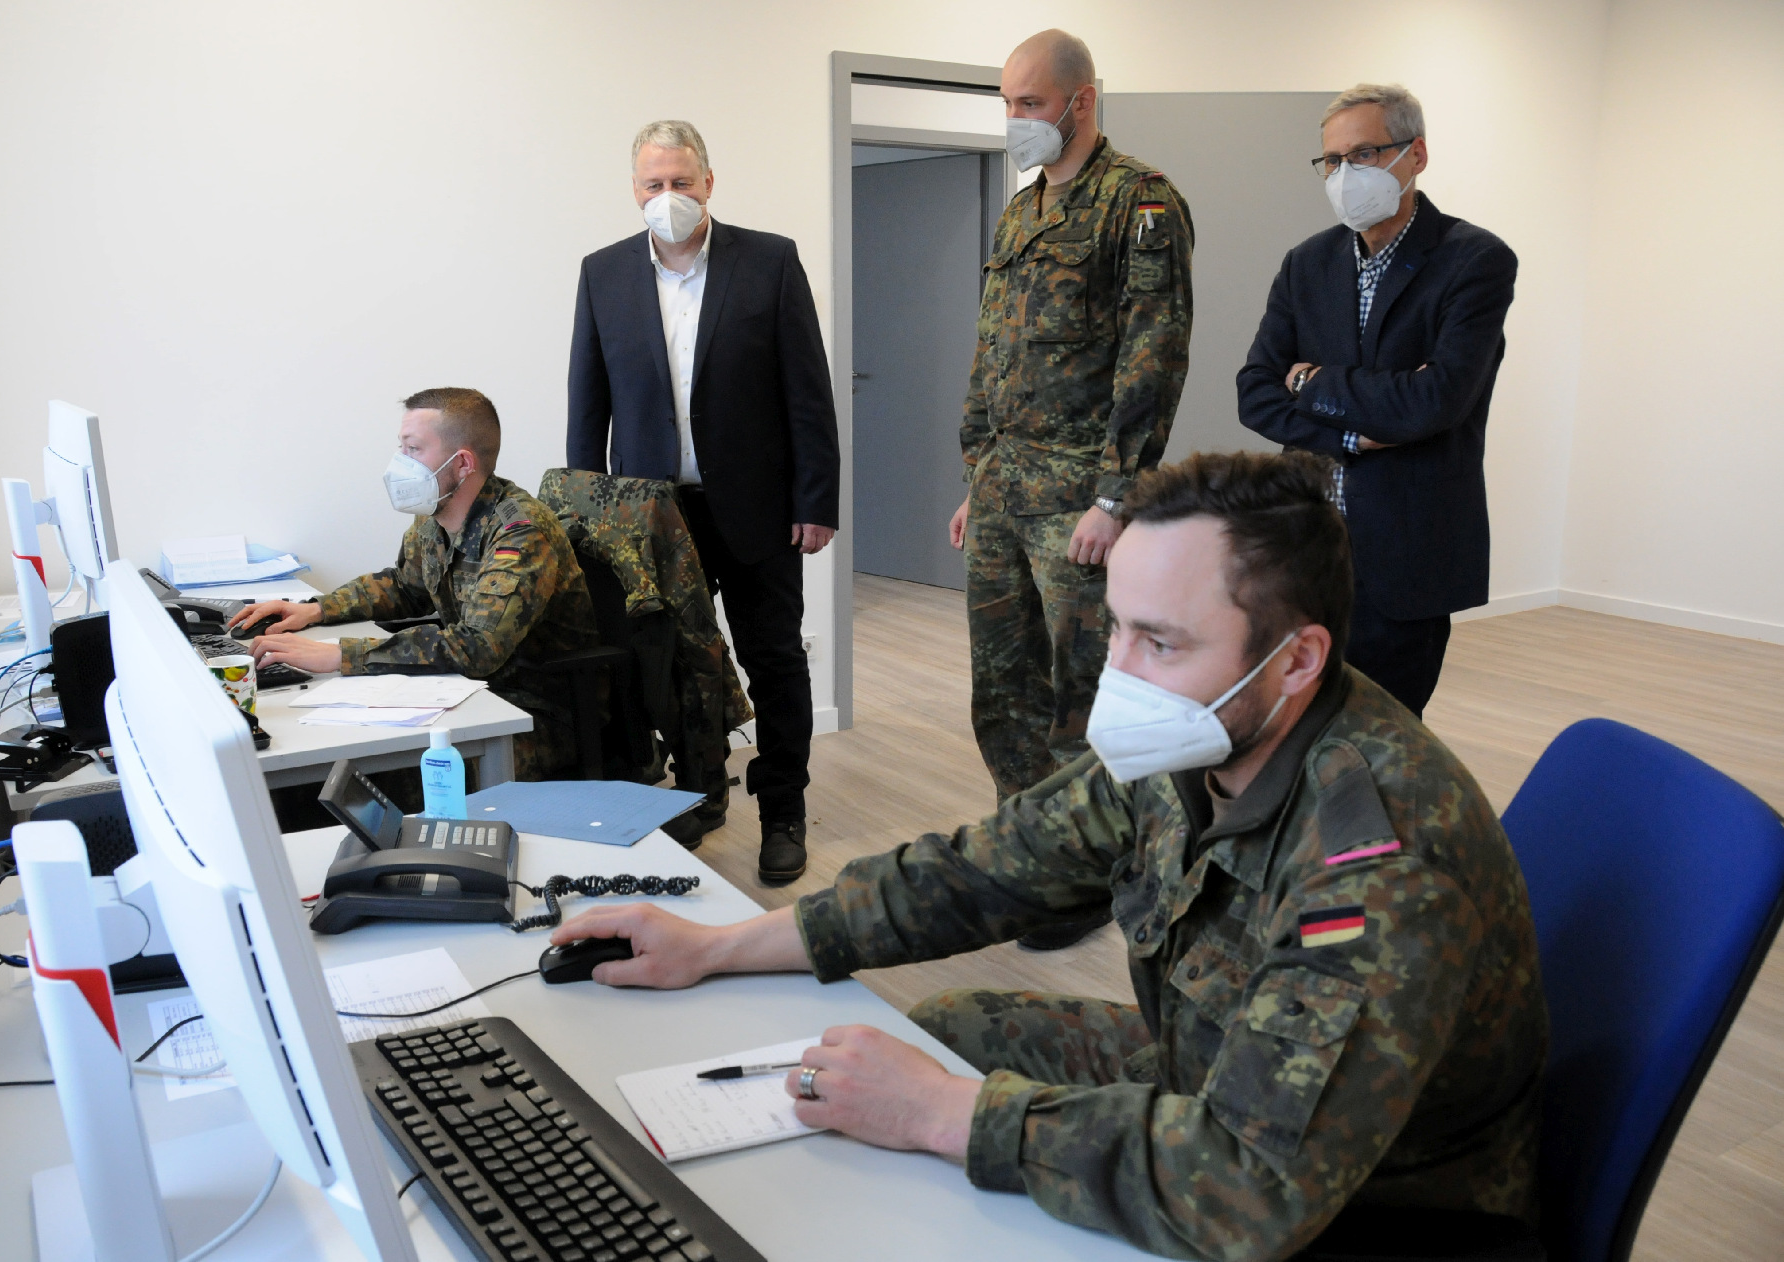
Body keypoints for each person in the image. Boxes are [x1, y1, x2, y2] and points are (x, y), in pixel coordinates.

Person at [548, 451, 1549, 1262]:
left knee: (938, 1095)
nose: (1117, 672)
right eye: (1114, 626)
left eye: (1158, 640)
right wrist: (713, 945)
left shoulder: (1378, 864)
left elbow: (1249, 1190)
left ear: (1296, 658)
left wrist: (948, 1115)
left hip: (1372, 1206)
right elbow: (983, 867)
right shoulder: (1200, 732)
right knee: (949, 1032)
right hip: (1213, 1069)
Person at [950, 31, 1194, 952]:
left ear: (1080, 102)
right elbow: (992, 353)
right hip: (1006, 491)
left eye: (1028, 103)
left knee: (1084, 702)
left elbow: (1152, 355)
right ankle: (1031, 857)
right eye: (1007, 103)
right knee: (1001, 690)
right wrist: (977, 476)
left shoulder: (1141, 203)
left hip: (1079, 503)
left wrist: (1116, 497)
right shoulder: (1021, 211)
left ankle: (1097, 874)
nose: (1015, 119)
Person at [566, 119, 840, 885]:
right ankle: (700, 789)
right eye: (653, 185)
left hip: (758, 507)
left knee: (774, 659)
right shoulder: (603, 273)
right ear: (634, 191)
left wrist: (817, 499)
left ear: (709, 183)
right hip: (652, 517)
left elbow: (808, 394)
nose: (668, 197)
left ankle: (783, 807)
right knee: (678, 666)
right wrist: (591, 516)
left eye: (681, 182)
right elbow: (587, 405)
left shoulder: (770, 262)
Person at [1237, 83, 1518, 718]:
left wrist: (1310, 383)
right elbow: (1254, 391)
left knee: (1382, 738)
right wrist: (1350, 432)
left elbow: (1433, 401)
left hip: (1405, 554)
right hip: (1305, 547)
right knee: (1289, 729)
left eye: (1364, 154)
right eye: (1332, 161)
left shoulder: (1474, 261)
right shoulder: (1306, 263)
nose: (1344, 175)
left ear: (1415, 155)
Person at [234, 388, 597, 779]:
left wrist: (341, 655)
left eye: (415, 450)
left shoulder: (519, 532)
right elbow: (407, 587)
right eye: (402, 448)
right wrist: (317, 609)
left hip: (535, 714)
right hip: (467, 693)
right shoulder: (435, 512)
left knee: (370, 772)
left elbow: (479, 647)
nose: (401, 464)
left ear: (462, 464)